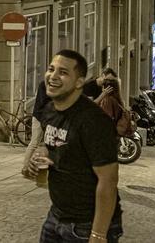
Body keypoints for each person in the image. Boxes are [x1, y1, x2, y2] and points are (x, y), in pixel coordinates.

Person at [24, 50, 124, 243]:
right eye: (51, 69)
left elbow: (108, 180)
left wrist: (98, 234)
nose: (53, 76)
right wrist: (38, 160)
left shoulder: (93, 121)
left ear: (79, 82)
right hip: (57, 215)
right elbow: (52, 146)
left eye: (63, 72)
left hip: (87, 223)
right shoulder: (50, 110)